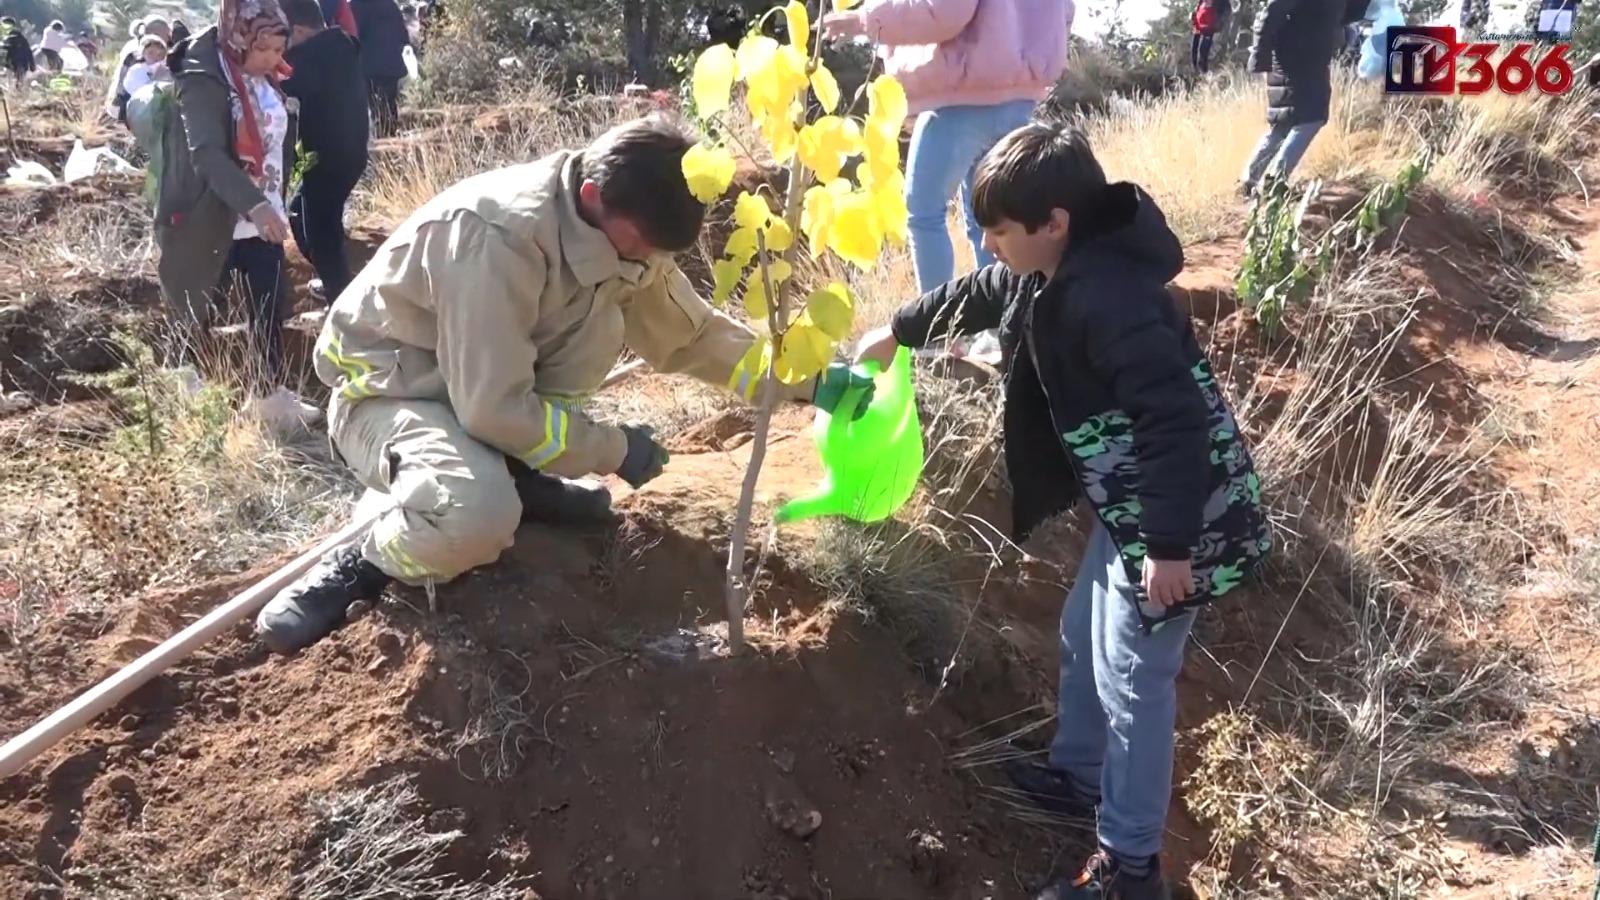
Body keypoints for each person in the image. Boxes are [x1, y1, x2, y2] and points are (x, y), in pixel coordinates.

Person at [252, 115, 878, 655]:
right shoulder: (498, 239)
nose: (645, 266)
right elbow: (492, 406)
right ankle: (366, 557)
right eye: (638, 249)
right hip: (392, 395)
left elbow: (691, 338)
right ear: (592, 195)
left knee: (592, 325)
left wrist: (809, 380)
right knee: (477, 517)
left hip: (474, 396)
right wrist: (611, 449)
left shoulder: (629, 231)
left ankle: (511, 474)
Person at [853, 121, 1271, 900]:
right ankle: (1078, 776)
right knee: (1082, 631)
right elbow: (979, 292)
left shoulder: (1112, 299)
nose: (985, 243)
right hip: (1129, 510)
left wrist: (1170, 546)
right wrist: (896, 330)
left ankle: (1131, 865)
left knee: (1134, 678)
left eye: (998, 230)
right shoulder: (1039, 270)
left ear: (1055, 225)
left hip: (1183, 520)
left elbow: (1177, 423)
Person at [822, 0, 1071, 297]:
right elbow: (1065, 11)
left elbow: (942, 12)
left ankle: (939, 330)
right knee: (994, 216)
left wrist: (864, 21)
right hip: (1020, 95)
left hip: (960, 97)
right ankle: (1002, 323)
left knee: (924, 213)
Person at [154, 0, 323, 429]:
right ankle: (177, 389)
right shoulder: (204, 79)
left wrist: (269, 201)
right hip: (214, 212)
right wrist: (254, 202)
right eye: (263, 48)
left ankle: (267, 397)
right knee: (199, 304)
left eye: (278, 49)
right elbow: (206, 155)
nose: (273, 59)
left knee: (269, 305)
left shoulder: (267, 79)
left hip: (261, 214)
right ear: (238, 38)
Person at [281, 0, 369, 302]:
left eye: (284, 35)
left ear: (300, 29)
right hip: (344, 154)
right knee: (299, 213)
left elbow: (284, 83)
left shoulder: (313, 56)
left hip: (329, 159)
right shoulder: (337, 47)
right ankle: (336, 283)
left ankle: (341, 300)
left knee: (322, 234)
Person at [1238, 0, 1369, 197]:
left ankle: (1249, 181)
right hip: (1297, 59)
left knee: (1285, 123)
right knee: (1311, 118)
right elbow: (1273, 10)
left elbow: (1347, 13)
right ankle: (1275, 182)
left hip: (1305, 56)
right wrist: (1259, 55)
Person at [349, 0, 409, 137]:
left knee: (375, 105)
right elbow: (403, 34)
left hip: (369, 64)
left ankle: (383, 139)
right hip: (391, 62)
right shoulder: (389, 4)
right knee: (389, 101)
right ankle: (391, 136)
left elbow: (354, 34)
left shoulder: (357, 5)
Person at [107, 15, 171, 120]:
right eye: (166, 34)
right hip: (127, 105)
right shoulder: (137, 55)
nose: (168, 38)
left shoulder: (147, 49)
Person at [121, 35, 171, 99]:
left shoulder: (168, 69)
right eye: (151, 53)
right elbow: (136, 91)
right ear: (143, 53)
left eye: (159, 54)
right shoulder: (137, 70)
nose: (155, 57)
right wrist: (155, 80)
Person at [1189, 0, 1230, 74]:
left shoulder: (1222, 2)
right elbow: (1199, 9)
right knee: (1193, 52)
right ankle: (1195, 73)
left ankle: (1204, 74)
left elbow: (1226, 13)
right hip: (1197, 28)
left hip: (1208, 29)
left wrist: (1218, 24)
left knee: (1203, 53)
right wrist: (1194, 15)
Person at [2, 18, 35, 85]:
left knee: (15, 83)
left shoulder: (17, 37)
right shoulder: (9, 37)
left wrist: (32, 65)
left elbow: (27, 51)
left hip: (16, 64)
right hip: (12, 65)